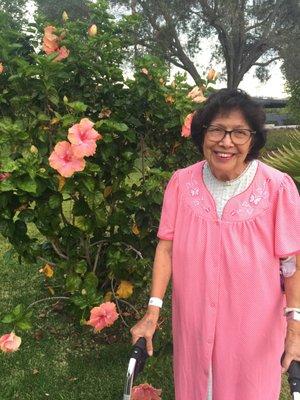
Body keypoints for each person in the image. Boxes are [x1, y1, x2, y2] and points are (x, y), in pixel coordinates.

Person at [130, 88, 300, 400]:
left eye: (239, 132)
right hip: (193, 325)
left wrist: (295, 330)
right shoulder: (181, 183)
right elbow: (166, 247)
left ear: (253, 139)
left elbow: (292, 262)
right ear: (202, 133)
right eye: (217, 130)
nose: (226, 142)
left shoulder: (277, 188)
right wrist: (152, 311)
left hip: (253, 332)